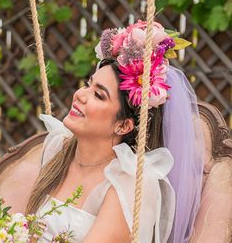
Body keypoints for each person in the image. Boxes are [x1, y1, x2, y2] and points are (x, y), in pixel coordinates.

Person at [27, 21, 204, 243]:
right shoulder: (58, 149)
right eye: (88, 85)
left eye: (99, 95)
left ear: (124, 126)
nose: (80, 95)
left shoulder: (130, 184)